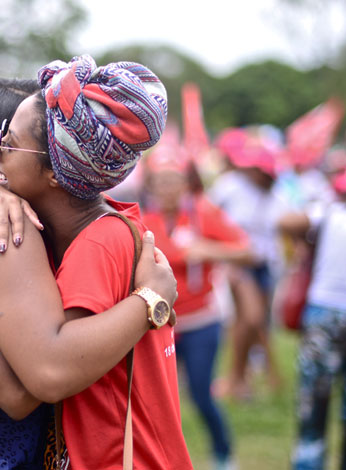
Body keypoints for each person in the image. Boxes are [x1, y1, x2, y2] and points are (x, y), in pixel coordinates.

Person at [0, 70, 187, 470]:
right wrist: (152, 300)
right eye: (0, 135)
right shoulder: (1, 229)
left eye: (8, 140)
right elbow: (36, 382)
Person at [140, 147, 255, 470]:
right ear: (151, 185)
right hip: (158, 322)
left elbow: (247, 251)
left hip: (202, 320)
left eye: (174, 180)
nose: (167, 189)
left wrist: (208, 250)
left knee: (202, 395)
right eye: (161, 181)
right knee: (155, 400)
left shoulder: (203, 214)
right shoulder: (142, 219)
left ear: (186, 183)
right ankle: (159, 459)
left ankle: (223, 454)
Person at [208, 127, 288, 400]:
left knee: (255, 324)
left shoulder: (276, 194)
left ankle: (242, 379)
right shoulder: (230, 186)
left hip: (266, 265)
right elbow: (207, 217)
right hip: (238, 264)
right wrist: (223, 255)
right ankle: (234, 379)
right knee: (251, 318)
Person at [278, 168, 346, 470]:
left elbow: (285, 221)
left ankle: (309, 461)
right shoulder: (327, 213)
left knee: (313, 403)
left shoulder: (326, 212)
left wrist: (303, 244)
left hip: (323, 313)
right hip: (324, 312)